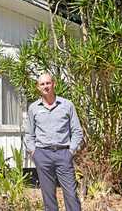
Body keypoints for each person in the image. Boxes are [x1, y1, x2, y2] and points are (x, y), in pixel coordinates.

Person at [25, 72, 83, 211]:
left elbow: (77, 131)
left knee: (71, 194)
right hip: (42, 155)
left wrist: (71, 151)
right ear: (38, 87)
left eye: (48, 83)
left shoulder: (67, 105)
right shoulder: (33, 108)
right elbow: (29, 134)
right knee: (48, 196)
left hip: (63, 154)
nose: (46, 86)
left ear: (54, 84)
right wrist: (34, 152)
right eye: (42, 84)